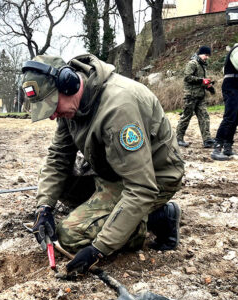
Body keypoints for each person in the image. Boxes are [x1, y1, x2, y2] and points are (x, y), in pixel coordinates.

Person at [22, 54, 184, 275]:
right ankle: (111, 213)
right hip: (112, 171)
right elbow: (58, 157)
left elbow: (141, 187)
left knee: (70, 236)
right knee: (57, 181)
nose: (52, 115)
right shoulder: (71, 108)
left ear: (68, 84)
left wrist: (99, 249)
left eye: (52, 105)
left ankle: (158, 218)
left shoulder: (118, 109)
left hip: (153, 178)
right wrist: (44, 208)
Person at [176, 46, 215, 148]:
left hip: (200, 97)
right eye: (205, 55)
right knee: (186, 117)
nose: (207, 57)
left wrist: (209, 86)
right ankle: (178, 139)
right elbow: (187, 77)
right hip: (191, 96)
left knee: (204, 117)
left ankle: (207, 140)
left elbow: (201, 81)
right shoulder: (192, 63)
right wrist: (202, 80)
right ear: (200, 54)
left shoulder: (202, 65)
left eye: (208, 55)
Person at [211, 43, 238, 160]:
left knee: (236, 117)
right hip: (231, 85)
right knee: (230, 116)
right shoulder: (236, 50)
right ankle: (217, 147)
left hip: (236, 85)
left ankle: (228, 147)